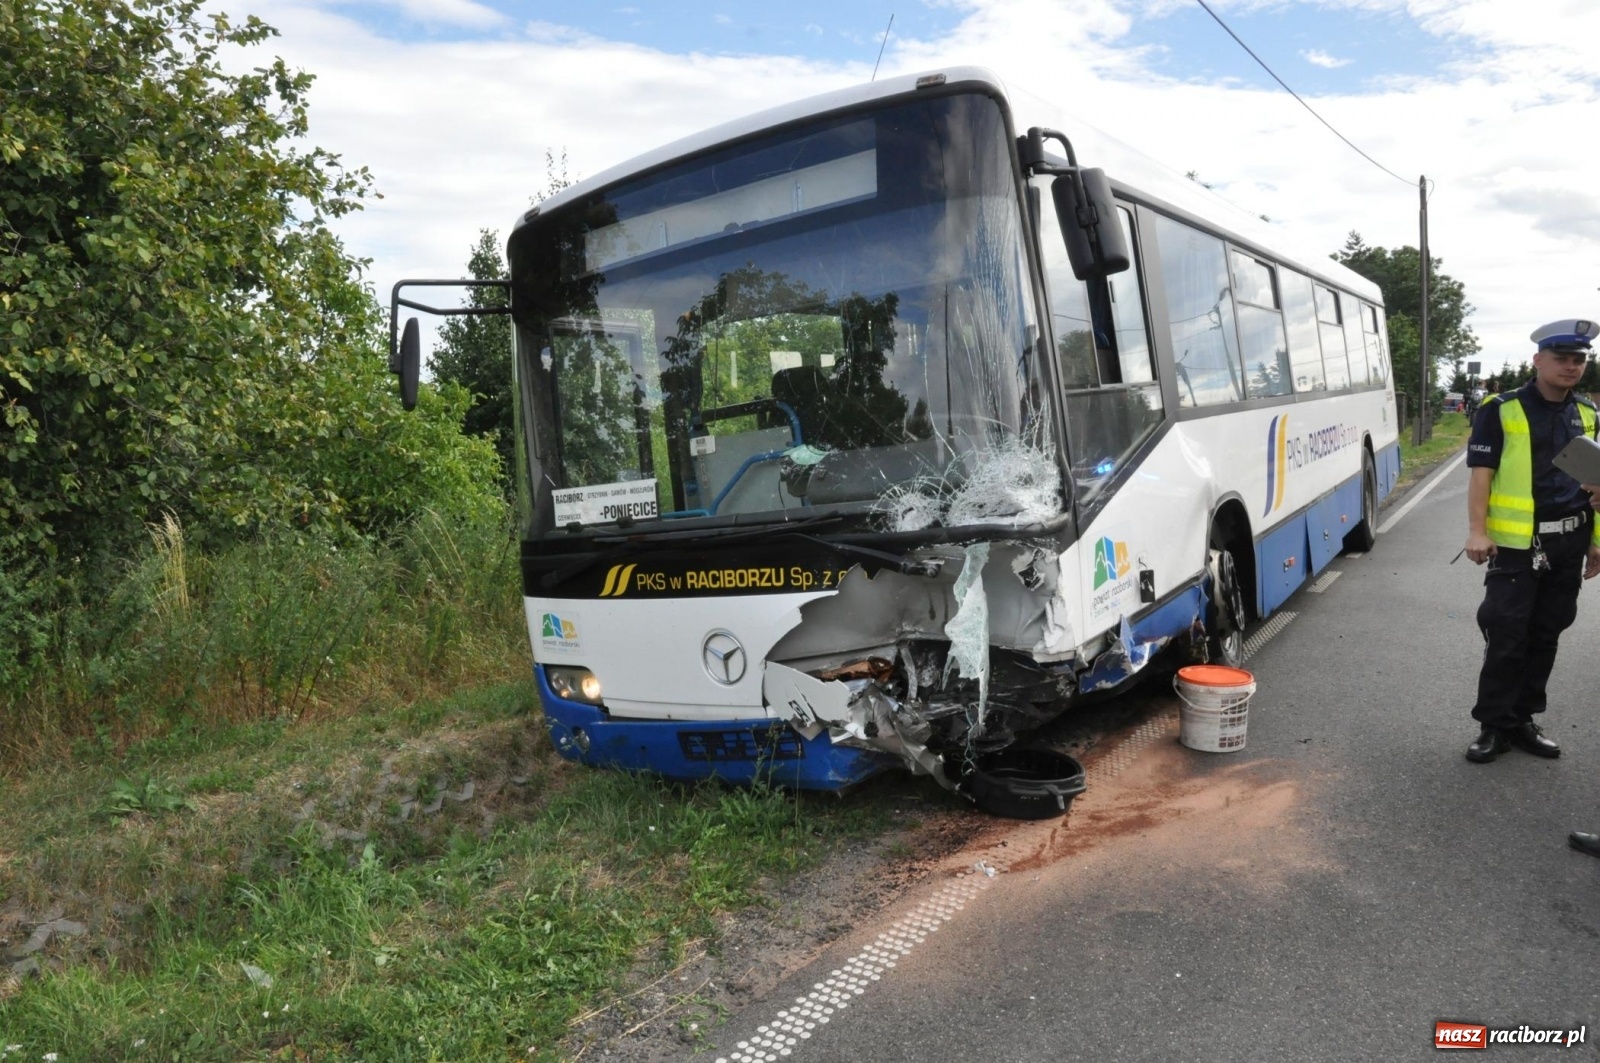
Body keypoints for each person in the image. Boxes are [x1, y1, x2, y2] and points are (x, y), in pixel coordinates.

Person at [1462, 318, 1600, 763]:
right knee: (1506, 634)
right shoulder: (1500, 408)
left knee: (1547, 634)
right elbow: (1481, 476)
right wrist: (1477, 531)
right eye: (1562, 358)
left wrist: (1596, 541)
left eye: (1579, 359)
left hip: (1569, 542)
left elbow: (1594, 483)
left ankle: (1523, 719)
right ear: (1538, 360)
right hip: (1517, 547)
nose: (1572, 366)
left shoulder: (1588, 413)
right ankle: (1494, 725)